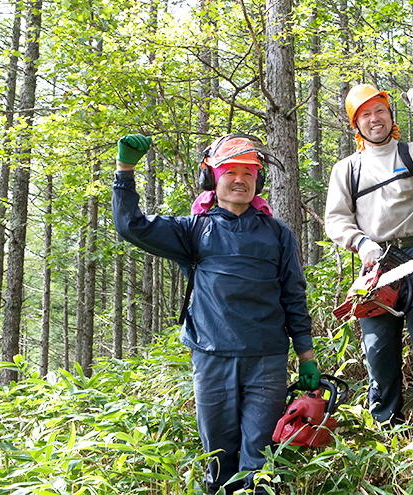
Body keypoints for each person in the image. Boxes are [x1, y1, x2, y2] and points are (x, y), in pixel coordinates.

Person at [111, 133, 320, 494]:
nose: (239, 179)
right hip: (211, 356)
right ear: (212, 177)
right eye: (229, 171)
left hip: (266, 360)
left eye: (248, 172)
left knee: (261, 463)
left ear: (259, 181)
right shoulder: (192, 231)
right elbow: (132, 226)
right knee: (219, 460)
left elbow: (293, 295)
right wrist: (125, 170)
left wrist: (306, 356)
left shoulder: (278, 234)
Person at [324, 84, 413, 439]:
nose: (374, 119)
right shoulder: (347, 170)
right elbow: (336, 220)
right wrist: (360, 242)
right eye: (365, 114)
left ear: (390, 114)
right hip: (377, 266)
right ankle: (385, 430)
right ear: (357, 124)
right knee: (378, 350)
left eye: (379, 110)